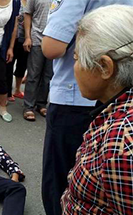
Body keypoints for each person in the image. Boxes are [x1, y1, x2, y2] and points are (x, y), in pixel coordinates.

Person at [40, 0, 133, 215]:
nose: (76, 66)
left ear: (105, 66)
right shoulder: (111, 112)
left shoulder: (120, 145)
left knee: (58, 178)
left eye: (77, 58)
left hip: (71, 103)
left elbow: (51, 46)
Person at [22, 0, 52, 121]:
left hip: (54, 40)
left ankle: (41, 104)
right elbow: (27, 14)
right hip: (37, 38)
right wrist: (28, 37)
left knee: (48, 76)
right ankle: (28, 106)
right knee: (33, 74)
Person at [5, 0, 28, 102]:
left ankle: (17, 90)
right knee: (8, 65)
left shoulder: (31, 2)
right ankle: (7, 92)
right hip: (12, 38)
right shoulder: (13, 2)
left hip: (26, 38)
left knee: (22, 65)